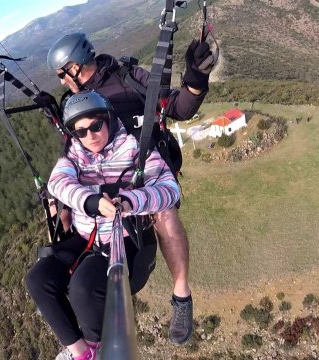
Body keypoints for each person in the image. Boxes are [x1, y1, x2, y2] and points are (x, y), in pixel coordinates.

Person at [46, 32, 215, 344]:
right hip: (101, 175)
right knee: (59, 213)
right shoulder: (74, 102)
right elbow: (74, 151)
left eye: (62, 73)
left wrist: (197, 77)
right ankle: (84, 282)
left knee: (164, 215)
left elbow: (177, 106)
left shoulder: (129, 78)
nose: (60, 82)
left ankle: (181, 294)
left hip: (145, 169)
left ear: (76, 65)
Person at [26, 90, 181, 360]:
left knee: (83, 288)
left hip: (126, 238)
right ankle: (81, 353)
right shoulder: (75, 154)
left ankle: (96, 348)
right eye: (81, 132)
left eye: (96, 126)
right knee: (38, 279)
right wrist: (90, 201)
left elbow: (169, 190)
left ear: (108, 119)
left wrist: (130, 201)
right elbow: (58, 183)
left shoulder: (135, 147)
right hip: (87, 235)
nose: (90, 136)